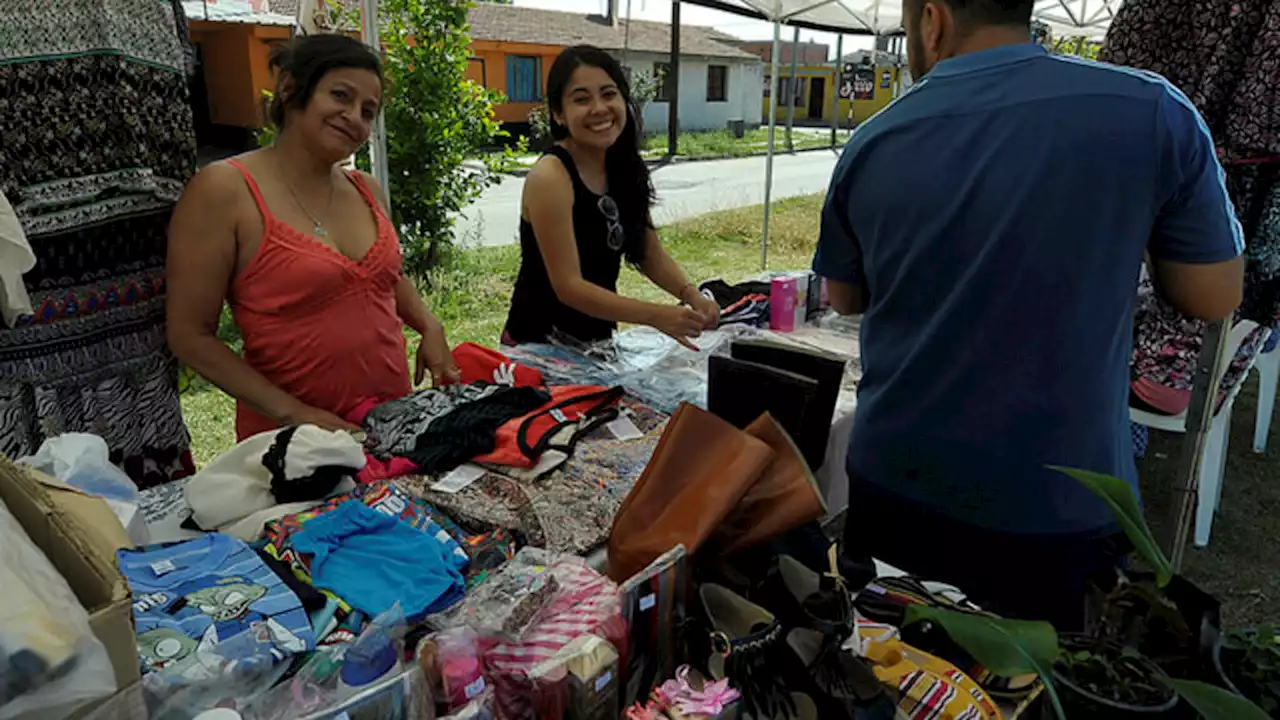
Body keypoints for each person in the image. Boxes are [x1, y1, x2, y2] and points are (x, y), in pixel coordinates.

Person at [814, 0, 1244, 627]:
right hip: (1061, 498)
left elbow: (846, 298)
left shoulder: (874, 139)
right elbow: (1213, 296)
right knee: (1045, 683)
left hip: (898, 480)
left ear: (931, 20)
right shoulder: (1153, 112)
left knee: (900, 675)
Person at [167, 34, 459, 441]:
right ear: (289, 87)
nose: (354, 116)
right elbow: (189, 335)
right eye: (340, 95)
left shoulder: (366, 190)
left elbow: (384, 278)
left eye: (368, 110)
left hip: (389, 428)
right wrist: (293, 413)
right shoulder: (224, 190)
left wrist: (430, 325)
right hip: (293, 445)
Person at [503, 45, 721, 349]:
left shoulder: (623, 167)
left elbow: (648, 252)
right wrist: (656, 315)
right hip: (537, 349)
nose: (599, 109)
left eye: (608, 94)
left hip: (597, 346)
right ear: (558, 114)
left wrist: (691, 295)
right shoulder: (550, 176)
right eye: (581, 99)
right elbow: (569, 287)